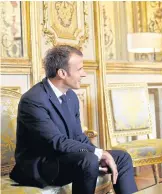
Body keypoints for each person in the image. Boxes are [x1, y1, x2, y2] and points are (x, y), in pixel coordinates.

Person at [10, 45, 138, 194]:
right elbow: (56, 142)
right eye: (80, 69)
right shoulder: (33, 100)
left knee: (121, 157)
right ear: (62, 73)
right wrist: (97, 154)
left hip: (68, 157)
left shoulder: (71, 97)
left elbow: (78, 136)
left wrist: (99, 152)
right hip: (41, 166)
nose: (84, 74)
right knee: (88, 160)